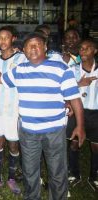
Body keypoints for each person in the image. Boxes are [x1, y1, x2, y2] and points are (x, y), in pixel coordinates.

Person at [0, 32, 85, 199]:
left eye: (37, 44)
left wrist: (80, 126)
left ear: (45, 47)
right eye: (29, 45)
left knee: (57, 172)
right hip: (28, 132)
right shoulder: (20, 70)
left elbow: (75, 99)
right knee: (30, 172)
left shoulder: (61, 68)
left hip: (54, 131)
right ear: (24, 50)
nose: (33, 48)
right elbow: (0, 78)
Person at [0, 26, 26, 194]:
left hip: (13, 109)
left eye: (6, 37)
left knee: (14, 144)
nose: (2, 41)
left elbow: (2, 79)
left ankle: (12, 178)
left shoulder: (21, 58)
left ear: (13, 39)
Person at [67, 38, 98, 192]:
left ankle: (95, 175)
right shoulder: (73, 69)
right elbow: (63, 88)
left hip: (95, 112)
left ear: (95, 51)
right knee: (74, 143)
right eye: (81, 48)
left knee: (96, 146)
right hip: (77, 110)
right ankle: (74, 173)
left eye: (88, 48)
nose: (83, 50)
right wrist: (79, 84)